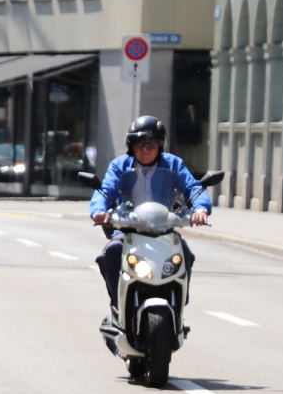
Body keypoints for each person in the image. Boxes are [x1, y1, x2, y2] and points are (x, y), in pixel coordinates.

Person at [89, 116, 210, 319]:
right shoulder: (120, 166)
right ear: (131, 146)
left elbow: (193, 188)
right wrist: (99, 211)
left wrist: (201, 209)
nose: (146, 148)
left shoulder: (174, 164)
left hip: (163, 229)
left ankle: (179, 305)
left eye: (151, 143)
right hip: (129, 229)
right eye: (140, 143)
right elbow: (105, 191)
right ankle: (118, 305)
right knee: (110, 252)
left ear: (160, 145)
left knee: (185, 254)